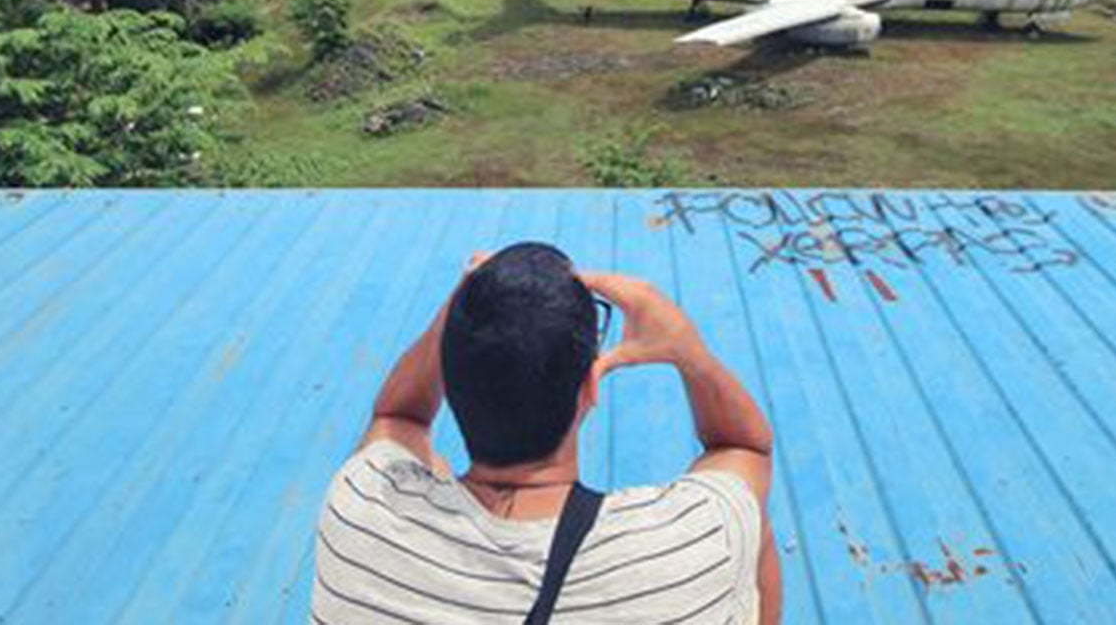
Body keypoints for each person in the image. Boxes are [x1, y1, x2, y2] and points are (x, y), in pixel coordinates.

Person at [313, 241, 781, 623]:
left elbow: (399, 419)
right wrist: (687, 350)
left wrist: (465, 307)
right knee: (748, 517)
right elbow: (743, 445)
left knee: (423, 469)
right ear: (591, 388)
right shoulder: (694, 542)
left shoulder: (359, 506)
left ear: (449, 380)